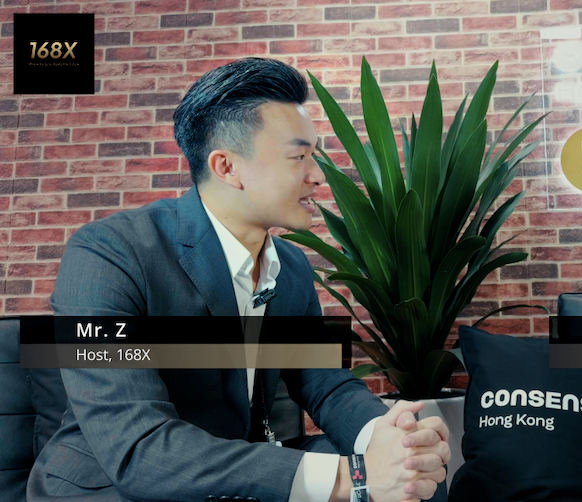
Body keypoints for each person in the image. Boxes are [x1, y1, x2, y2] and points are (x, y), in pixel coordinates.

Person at [27, 57, 449, 502]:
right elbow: (139, 448)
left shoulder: (291, 266)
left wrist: (389, 436)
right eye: (299, 157)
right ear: (227, 167)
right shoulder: (109, 253)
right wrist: (355, 478)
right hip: (117, 483)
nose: (317, 176)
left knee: (415, 479)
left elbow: (327, 384)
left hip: (237, 468)